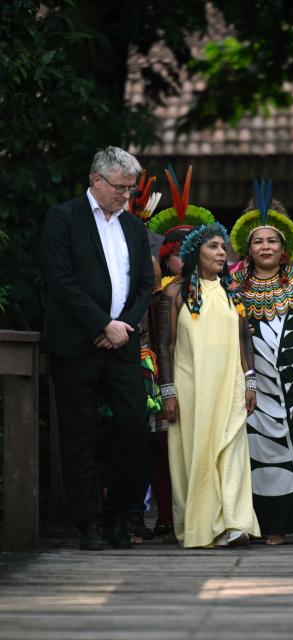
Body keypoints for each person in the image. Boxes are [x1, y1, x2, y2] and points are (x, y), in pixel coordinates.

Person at [41, 146, 155, 550]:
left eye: (131, 189)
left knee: (135, 428)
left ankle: (117, 516)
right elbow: (61, 281)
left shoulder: (135, 228)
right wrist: (100, 323)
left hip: (121, 344)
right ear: (96, 181)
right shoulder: (62, 218)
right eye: (121, 188)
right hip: (77, 344)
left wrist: (119, 326)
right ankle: (87, 523)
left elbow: (145, 285)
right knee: (79, 435)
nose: (127, 196)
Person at [231, 178, 293, 545]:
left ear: (284, 245)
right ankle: (253, 519)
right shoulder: (235, 283)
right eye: (258, 240)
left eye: (271, 240)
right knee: (254, 450)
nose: (265, 246)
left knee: (291, 447)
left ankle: (280, 523)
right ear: (247, 246)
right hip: (252, 384)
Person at [155, 219, 260, 548]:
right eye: (212, 247)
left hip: (229, 383)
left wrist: (250, 380)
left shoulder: (233, 291)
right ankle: (201, 525)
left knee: (231, 447)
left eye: (222, 247)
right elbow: (164, 346)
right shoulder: (175, 292)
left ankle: (235, 522)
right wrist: (168, 392)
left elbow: (244, 339)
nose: (221, 252)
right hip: (192, 386)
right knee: (196, 453)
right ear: (194, 253)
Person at [147, 165, 216, 538]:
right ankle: (168, 512)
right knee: (162, 440)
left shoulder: (216, 287)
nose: (182, 261)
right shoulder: (162, 292)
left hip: (204, 370)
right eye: (176, 253)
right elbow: (158, 340)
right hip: (162, 369)